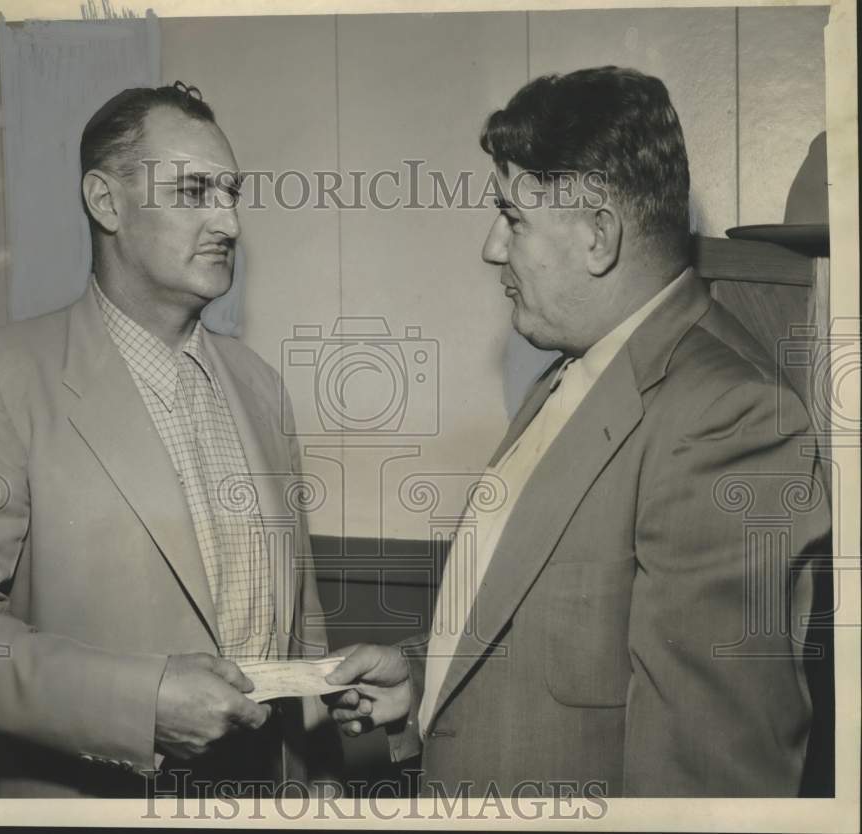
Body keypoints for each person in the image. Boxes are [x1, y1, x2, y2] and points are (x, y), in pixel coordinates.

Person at [323, 67, 831, 797]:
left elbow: (710, 783)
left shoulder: (731, 420)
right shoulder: (572, 370)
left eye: (513, 217)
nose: (492, 248)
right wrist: (426, 675)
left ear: (598, 236)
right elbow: (565, 630)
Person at [0, 82, 335, 797]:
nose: (230, 221)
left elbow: (298, 613)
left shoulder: (262, 387)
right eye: (194, 191)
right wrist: (140, 703)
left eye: (232, 192)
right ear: (105, 202)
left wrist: (317, 776)